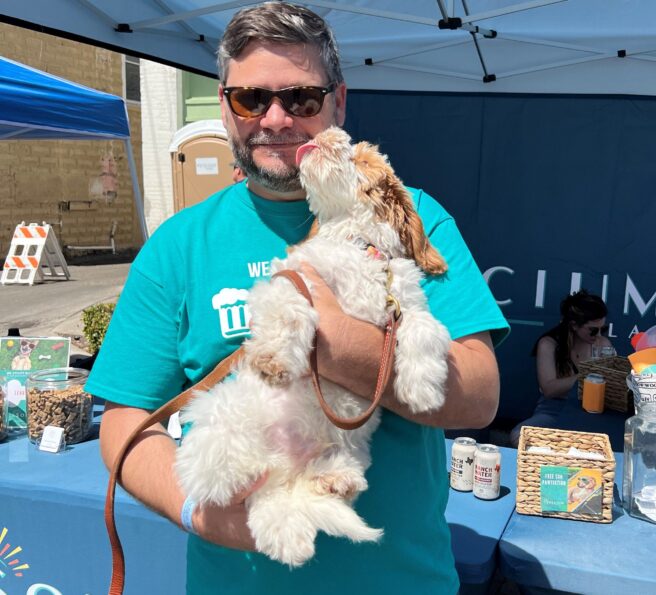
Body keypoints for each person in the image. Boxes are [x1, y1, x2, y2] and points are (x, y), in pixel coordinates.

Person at [87, 3, 509, 594]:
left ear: (339, 102)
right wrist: (200, 512)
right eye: (251, 99)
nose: (276, 118)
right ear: (225, 106)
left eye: (302, 99)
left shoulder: (406, 214)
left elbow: (480, 394)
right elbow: (125, 418)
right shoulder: (179, 245)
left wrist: (330, 341)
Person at [510, 290, 612, 447]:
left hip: (590, 411)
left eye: (603, 329)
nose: (598, 335)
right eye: (593, 330)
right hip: (554, 410)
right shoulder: (549, 344)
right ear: (574, 325)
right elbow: (549, 389)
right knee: (519, 436)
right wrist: (588, 375)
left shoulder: (603, 345)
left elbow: (612, 384)